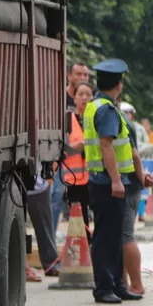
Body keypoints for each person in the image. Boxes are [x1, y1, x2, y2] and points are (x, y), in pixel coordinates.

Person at [84, 58, 153, 304]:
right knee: (105, 237)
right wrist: (116, 180)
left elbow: (128, 149)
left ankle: (117, 284)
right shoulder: (106, 110)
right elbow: (106, 145)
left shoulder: (98, 106)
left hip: (107, 180)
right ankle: (104, 287)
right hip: (106, 182)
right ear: (119, 84)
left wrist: (139, 176)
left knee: (114, 237)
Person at [52, 61, 91, 231]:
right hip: (69, 169)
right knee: (58, 198)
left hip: (90, 173)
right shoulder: (61, 106)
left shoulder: (95, 117)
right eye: (79, 74)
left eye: (85, 75)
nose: (84, 98)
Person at [61, 80, 94, 241]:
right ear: (74, 98)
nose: (84, 98)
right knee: (78, 217)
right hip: (74, 179)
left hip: (94, 176)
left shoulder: (96, 120)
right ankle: (82, 248)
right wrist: (76, 147)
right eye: (80, 94)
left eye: (88, 95)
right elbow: (61, 148)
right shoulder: (67, 121)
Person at [120, 109, 146, 295]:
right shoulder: (121, 120)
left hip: (127, 185)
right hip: (128, 183)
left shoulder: (118, 121)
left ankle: (136, 285)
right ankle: (124, 283)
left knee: (125, 236)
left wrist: (142, 180)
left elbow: (135, 156)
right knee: (120, 237)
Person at [27, 174, 60, 280]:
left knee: (45, 228)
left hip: (39, 187)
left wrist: (49, 179)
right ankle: (23, 268)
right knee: (18, 230)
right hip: (16, 186)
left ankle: (52, 265)